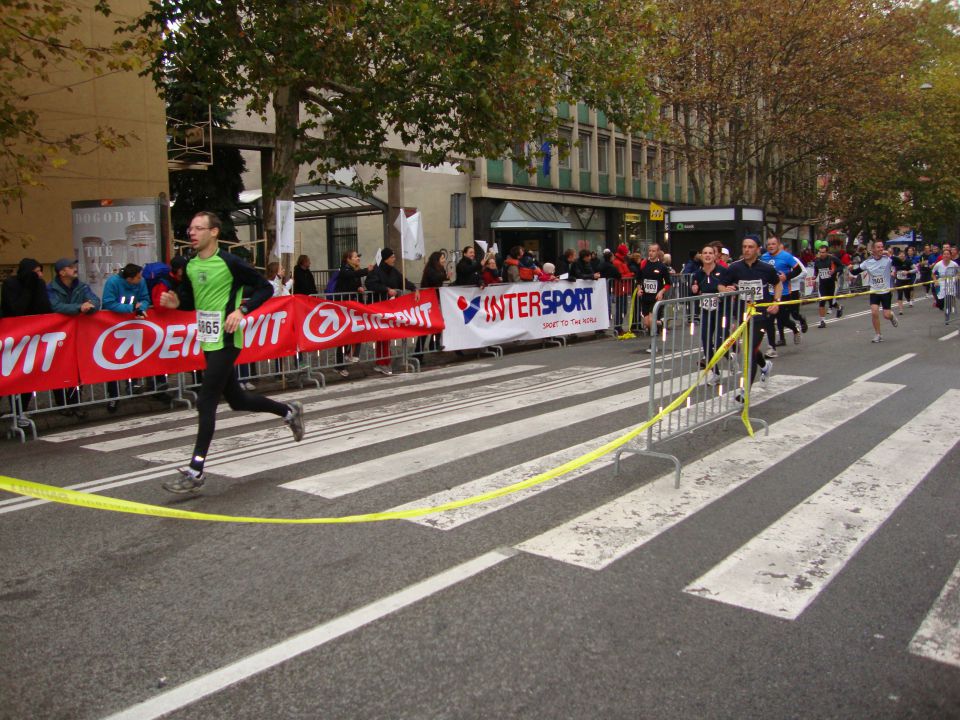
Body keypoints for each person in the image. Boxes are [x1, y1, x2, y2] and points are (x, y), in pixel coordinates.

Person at [157, 211, 305, 493]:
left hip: (227, 339)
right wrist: (176, 302)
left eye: (199, 228)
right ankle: (288, 411)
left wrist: (242, 310)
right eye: (190, 228)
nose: (192, 233)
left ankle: (195, 470)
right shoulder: (188, 266)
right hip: (207, 340)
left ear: (214, 232)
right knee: (237, 400)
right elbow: (189, 299)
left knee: (206, 400)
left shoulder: (230, 262)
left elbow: (264, 288)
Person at [721, 235, 780, 399]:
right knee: (750, 349)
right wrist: (726, 288)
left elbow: (777, 284)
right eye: (744, 246)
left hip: (760, 316)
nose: (746, 250)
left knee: (749, 351)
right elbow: (722, 284)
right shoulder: (734, 268)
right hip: (742, 315)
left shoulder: (766, 268)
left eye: (750, 247)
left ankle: (744, 391)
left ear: (758, 249)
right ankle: (765, 365)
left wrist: (776, 301)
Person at [1, 258, 52, 427]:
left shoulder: (39, 284)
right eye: (36, 272)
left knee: (27, 376)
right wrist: (29, 288)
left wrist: (37, 287)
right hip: (11, 337)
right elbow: (16, 309)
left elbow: (45, 308)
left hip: (31, 339)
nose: (39, 275)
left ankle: (20, 411)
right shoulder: (10, 284)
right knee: (7, 375)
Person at [48, 258, 101, 418]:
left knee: (77, 369)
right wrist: (79, 307)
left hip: (78, 334)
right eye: (70, 267)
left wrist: (89, 307)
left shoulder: (81, 285)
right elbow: (55, 306)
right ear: (62, 272)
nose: (74, 269)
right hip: (59, 334)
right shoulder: (51, 288)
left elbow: (95, 301)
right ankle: (61, 404)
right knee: (60, 368)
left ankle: (75, 403)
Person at [101, 263, 152, 411]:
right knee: (112, 360)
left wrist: (141, 309)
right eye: (138, 277)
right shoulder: (113, 283)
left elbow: (145, 298)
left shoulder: (140, 282)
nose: (141, 279)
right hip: (113, 326)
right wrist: (130, 309)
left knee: (133, 355)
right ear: (129, 279)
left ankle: (133, 384)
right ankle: (113, 396)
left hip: (132, 324)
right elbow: (109, 302)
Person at [365, 247, 418, 375]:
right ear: (386, 259)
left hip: (391, 307)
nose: (394, 259)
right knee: (382, 335)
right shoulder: (376, 271)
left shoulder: (394, 271)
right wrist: (386, 289)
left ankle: (382, 362)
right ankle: (384, 362)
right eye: (392, 257)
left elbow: (403, 282)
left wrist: (414, 288)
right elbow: (370, 284)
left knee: (386, 335)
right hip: (378, 306)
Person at [690, 244, 732, 386]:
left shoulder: (723, 271)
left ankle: (730, 356)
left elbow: (733, 286)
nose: (707, 255)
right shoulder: (698, 274)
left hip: (721, 310)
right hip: (706, 311)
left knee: (721, 341)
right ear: (701, 256)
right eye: (704, 253)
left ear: (715, 256)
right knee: (706, 341)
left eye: (710, 253)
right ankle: (715, 373)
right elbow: (694, 290)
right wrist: (694, 289)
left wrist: (729, 289)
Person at [849, 239, 899, 343]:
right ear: (873, 249)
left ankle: (891, 316)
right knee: (874, 312)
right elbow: (856, 271)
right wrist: (850, 269)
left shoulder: (887, 259)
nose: (881, 249)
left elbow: (900, 263)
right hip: (874, 291)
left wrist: (890, 255)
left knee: (886, 315)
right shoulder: (868, 262)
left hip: (886, 291)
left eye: (882, 247)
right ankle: (878, 334)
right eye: (878, 247)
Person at [760, 236, 803, 355]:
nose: (771, 246)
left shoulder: (786, 256)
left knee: (783, 320)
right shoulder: (764, 258)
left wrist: (786, 276)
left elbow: (798, 270)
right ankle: (772, 348)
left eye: (773, 244)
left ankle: (795, 328)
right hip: (768, 294)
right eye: (768, 244)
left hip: (783, 293)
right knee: (769, 320)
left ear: (778, 245)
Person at [332, 249, 371, 375]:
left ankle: (352, 354)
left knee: (357, 329)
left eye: (358, 257)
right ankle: (339, 365)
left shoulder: (354, 271)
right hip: (343, 307)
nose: (358, 258)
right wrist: (366, 270)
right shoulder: (344, 270)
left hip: (353, 306)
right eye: (355, 257)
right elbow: (349, 278)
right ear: (348, 259)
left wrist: (358, 288)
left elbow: (354, 283)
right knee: (343, 335)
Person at [415, 250, 449, 360]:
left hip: (435, 299)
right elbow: (435, 279)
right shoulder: (430, 270)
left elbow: (441, 277)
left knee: (438, 322)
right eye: (442, 258)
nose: (444, 260)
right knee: (427, 327)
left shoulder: (440, 269)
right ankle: (418, 353)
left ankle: (432, 344)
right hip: (427, 301)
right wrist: (445, 276)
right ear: (437, 260)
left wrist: (445, 276)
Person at [637, 243, 671, 344]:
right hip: (645, 297)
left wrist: (661, 292)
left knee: (651, 321)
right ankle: (660, 323)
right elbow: (638, 279)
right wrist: (639, 289)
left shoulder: (662, 267)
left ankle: (653, 344)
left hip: (656, 298)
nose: (651, 253)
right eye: (650, 251)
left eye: (653, 251)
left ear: (658, 252)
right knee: (647, 323)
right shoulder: (643, 264)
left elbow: (668, 283)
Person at [813, 245, 844, 328]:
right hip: (822, 284)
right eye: (820, 252)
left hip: (832, 283)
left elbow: (841, 266)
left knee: (832, 302)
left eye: (823, 252)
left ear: (827, 252)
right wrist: (814, 276)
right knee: (822, 302)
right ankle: (822, 321)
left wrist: (834, 271)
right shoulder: (817, 261)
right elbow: (816, 270)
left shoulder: (832, 259)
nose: (821, 254)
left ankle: (839, 307)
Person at [932, 247, 959, 324]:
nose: (946, 255)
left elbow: (958, 272)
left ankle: (947, 317)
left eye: (948, 254)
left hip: (950, 283)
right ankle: (942, 306)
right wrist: (935, 281)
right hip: (941, 284)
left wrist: (956, 277)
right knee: (940, 303)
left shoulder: (954, 264)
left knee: (948, 300)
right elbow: (933, 273)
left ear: (950, 255)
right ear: (942, 255)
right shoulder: (938, 264)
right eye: (944, 254)